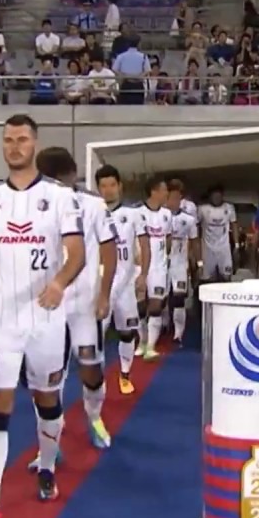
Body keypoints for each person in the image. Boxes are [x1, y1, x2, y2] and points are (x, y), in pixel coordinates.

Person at [0, 115, 85, 518]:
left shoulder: (60, 198)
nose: (14, 146)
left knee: (46, 399)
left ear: (35, 143)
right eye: (8, 140)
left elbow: (77, 253)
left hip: (45, 318)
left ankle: (47, 466)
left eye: (21, 139)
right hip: (0, 320)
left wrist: (59, 283)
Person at [37, 147, 116, 450]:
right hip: (48, 304)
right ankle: (50, 442)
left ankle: (94, 417)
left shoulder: (93, 205)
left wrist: (104, 294)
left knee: (90, 367)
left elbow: (109, 251)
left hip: (84, 303)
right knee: (48, 375)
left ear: (71, 175)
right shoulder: (33, 206)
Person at [95, 165, 148, 394]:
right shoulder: (92, 214)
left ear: (120, 186)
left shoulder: (133, 214)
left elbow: (145, 246)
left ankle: (125, 375)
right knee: (96, 334)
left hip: (126, 284)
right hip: (101, 284)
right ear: (98, 189)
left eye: (112, 185)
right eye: (103, 186)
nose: (108, 190)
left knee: (127, 332)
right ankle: (97, 379)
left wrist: (143, 275)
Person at [135, 176, 173, 360]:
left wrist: (166, 256)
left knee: (156, 306)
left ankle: (151, 347)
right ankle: (142, 342)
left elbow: (168, 238)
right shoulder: (137, 213)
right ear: (154, 191)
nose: (167, 193)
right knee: (140, 308)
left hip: (159, 267)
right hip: (139, 267)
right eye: (164, 190)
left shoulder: (167, 214)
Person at [166, 179, 199, 345]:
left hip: (180, 263)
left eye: (177, 197)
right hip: (161, 263)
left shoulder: (189, 219)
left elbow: (194, 241)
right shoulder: (159, 217)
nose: (174, 200)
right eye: (171, 197)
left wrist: (196, 262)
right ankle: (163, 327)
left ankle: (178, 334)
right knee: (160, 298)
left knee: (179, 298)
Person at [197, 185, 238, 282]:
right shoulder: (202, 209)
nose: (217, 198)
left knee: (226, 276)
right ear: (210, 196)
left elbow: (234, 225)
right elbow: (196, 227)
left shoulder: (229, 208)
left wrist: (237, 245)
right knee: (206, 277)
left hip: (224, 248)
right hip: (207, 248)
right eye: (214, 196)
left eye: (219, 196)